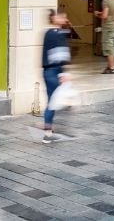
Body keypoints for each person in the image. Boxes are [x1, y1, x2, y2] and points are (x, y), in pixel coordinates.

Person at [41, 10, 71, 144]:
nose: (65, 19)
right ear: (55, 18)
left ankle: (49, 128)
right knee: (53, 103)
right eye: (63, 17)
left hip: (48, 71)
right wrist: (64, 73)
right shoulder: (57, 34)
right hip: (54, 71)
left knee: (51, 101)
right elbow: (61, 55)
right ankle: (47, 133)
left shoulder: (48, 33)